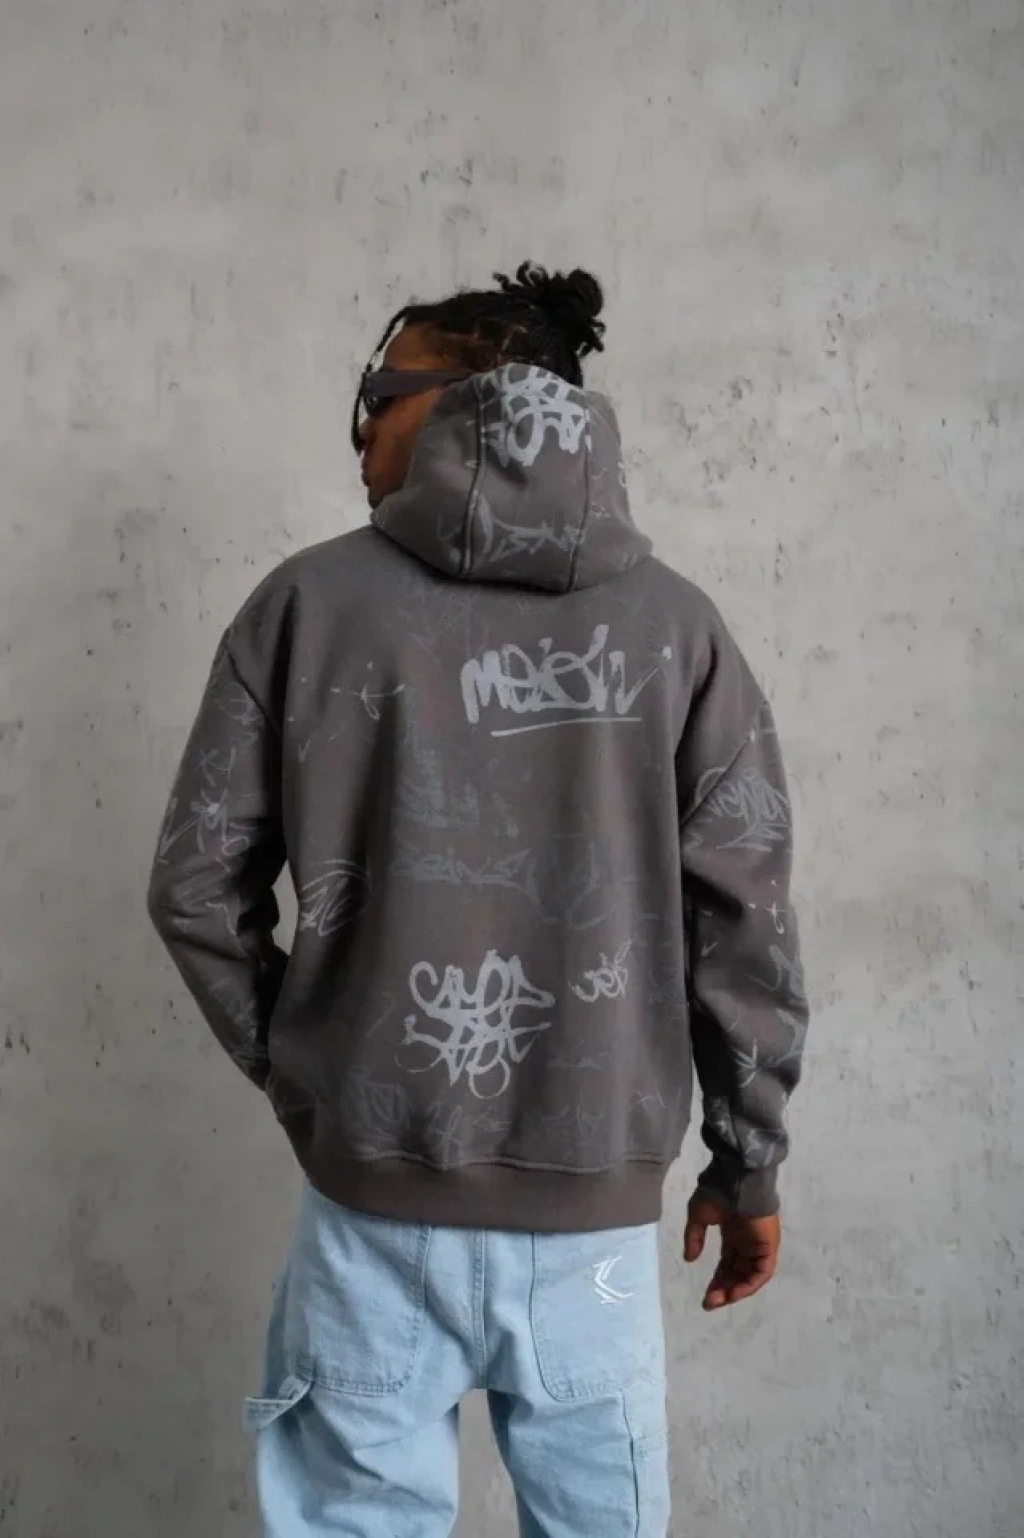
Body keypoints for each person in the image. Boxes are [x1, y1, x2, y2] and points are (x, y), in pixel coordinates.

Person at [148, 262, 808, 1538]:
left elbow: (192, 885)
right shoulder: (680, 629)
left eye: (378, 393)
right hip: (592, 1224)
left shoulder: (304, 606)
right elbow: (748, 920)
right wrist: (748, 1161)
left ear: (472, 399)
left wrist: (319, 1074)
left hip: (369, 1213)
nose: (358, 431)